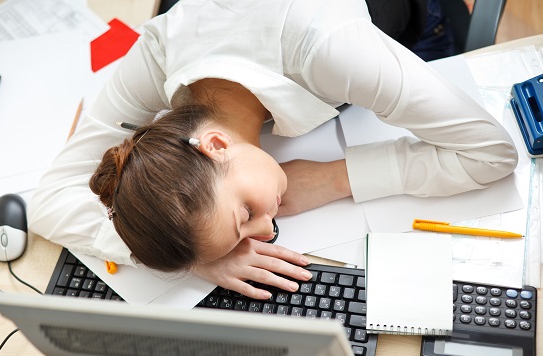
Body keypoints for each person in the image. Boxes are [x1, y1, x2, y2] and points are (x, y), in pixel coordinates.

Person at [28, 0, 518, 300]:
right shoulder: (157, 53)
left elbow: (492, 154)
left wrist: (336, 178)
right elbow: (48, 200)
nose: (267, 230)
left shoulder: (328, 48)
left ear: (215, 144)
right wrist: (198, 254)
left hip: (401, 23)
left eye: (245, 215)